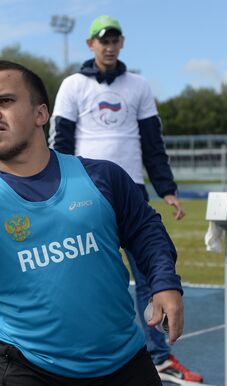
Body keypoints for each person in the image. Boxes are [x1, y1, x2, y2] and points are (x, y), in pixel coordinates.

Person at [0, 60, 184, 386]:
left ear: (41, 114)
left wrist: (164, 282)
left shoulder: (102, 176)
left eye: (5, 101)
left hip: (125, 364)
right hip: (30, 370)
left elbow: (146, 231)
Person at [49, 15, 203, 384]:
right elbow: (60, 144)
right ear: (90, 44)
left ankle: (160, 357)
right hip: (86, 191)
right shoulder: (73, 85)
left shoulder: (139, 86)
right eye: (102, 40)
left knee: (149, 275)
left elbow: (152, 143)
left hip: (132, 191)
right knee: (83, 276)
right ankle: (78, 353)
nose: (109, 45)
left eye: (115, 39)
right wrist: (56, 189)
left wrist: (167, 188)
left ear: (122, 43)